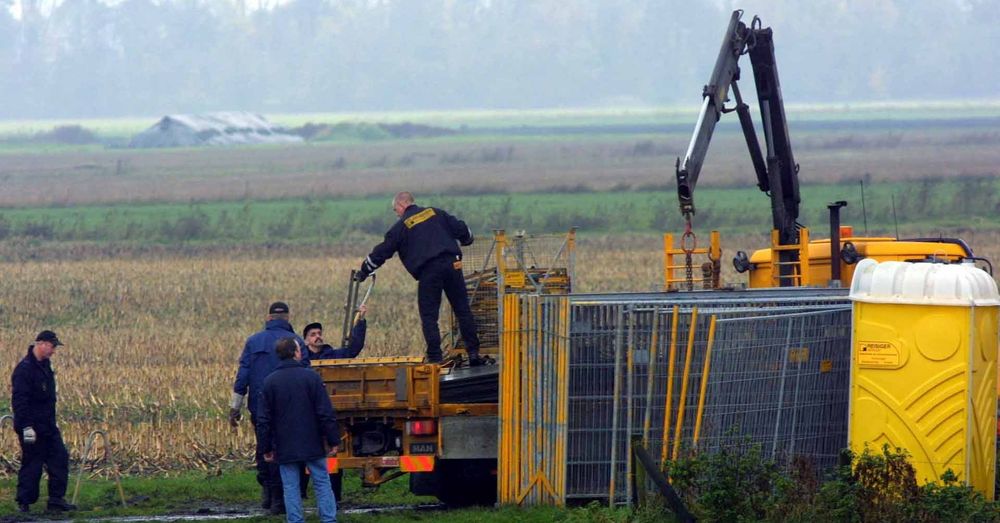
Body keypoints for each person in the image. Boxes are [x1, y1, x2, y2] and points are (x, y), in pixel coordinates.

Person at [355, 191, 482, 365]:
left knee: (429, 316)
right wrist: (467, 239)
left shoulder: (400, 227)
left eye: (395, 210)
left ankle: (436, 359)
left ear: (401, 205)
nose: (397, 214)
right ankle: (474, 354)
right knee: (462, 310)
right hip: (453, 265)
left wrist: (363, 271)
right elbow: (463, 230)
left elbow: (381, 252)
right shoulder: (435, 212)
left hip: (429, 271)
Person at [229, 301, 306, 515]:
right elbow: (307, 375)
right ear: (287, 318)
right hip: (291, 409)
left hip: (260, 406)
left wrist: (235, 407)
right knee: (288, 450)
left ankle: (268, 494)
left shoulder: (253, 341)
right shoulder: (297, 342)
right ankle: (281, 499)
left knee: (265, 447)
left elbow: (243, 375)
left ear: (269, 317)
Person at [257, 338, 340, 523]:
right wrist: (333, 440)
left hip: (285, 444)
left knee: (290, 486)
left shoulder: (269, 382)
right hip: (312, 442)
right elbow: (325, 412)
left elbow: (264, 420)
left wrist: (266, 448)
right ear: (296, 353)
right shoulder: (312, 377)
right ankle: (329, 519)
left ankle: (295, 520)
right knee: (322, 483)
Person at [11, 330, 76, 514]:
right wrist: (26, 427)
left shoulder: (45, 366)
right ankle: (24, 504)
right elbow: (19, 401)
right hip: (31, 427)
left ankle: (56, 500)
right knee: (32, 465)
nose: (54, 350)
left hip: (48, 426)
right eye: (52, 346)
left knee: (59, 459)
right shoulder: (24, 370)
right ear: (41, 343)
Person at [303, 305, 368, 360]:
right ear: (306, 341)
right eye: (313, 335)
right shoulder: (301, 358)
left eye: (319, 333)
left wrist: (361, 319)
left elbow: (353, 349)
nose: (318, 336)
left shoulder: (332, 355)